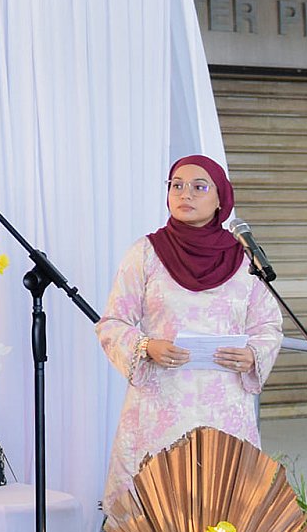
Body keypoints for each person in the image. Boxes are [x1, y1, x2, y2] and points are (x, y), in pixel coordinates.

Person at [96, 155, 283, 509]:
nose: (185, 194)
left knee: (224, 509)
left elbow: (268, 325)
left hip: (225, 408)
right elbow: (112, 322)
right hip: (159, 408)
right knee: (156, 513)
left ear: (221, 198)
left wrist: (252, 354)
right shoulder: (145, 253)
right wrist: (146, 345)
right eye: (177, 186)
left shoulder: (245, 258)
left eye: (199, 187)